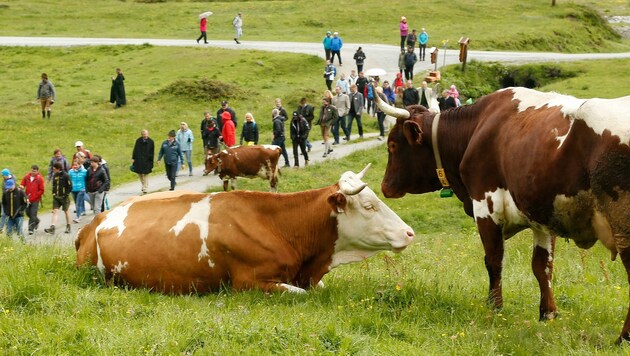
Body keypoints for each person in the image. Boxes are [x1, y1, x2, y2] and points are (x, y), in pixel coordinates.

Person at [44, 162, 72, 235]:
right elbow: (54, 185)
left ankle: (68, 226)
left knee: (66, 211)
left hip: (64, 197)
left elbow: (70, 186)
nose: (53, 170)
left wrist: (66, 194)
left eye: (54, 169)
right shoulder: (55, 175)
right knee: (55, 211)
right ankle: (52, 227)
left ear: (58, 168)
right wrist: (53, 193)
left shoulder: (66, 175)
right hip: (56, 197)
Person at [19, 165, 45, 235]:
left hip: (35, 199)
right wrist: (21, 186)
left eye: (35, 171)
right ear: (31, 170)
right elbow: (22, 184)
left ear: (37, 171)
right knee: (28, 212)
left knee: (33, 213)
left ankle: (30, 229)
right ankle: (36, 221)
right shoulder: (27, 177)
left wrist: (35, 196)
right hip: (27, 198)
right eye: (32, 171)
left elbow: (41, 190)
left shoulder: (40, 179)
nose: (33, 172)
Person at [131, 129, 155, 195]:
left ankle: (145, 187)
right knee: (139, 173)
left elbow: (152, 152)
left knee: (146, 174)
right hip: (139, 160)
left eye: (146, 134)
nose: (145, 136)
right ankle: (144, 185)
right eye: (144, 135)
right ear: (142, 135)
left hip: (147, 161)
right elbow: (135, 149)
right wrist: (133, 158)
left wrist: (151, 161)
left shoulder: (151, 142)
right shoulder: (138, 141)